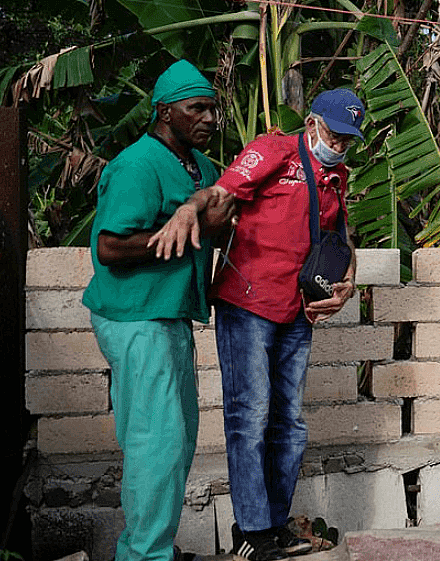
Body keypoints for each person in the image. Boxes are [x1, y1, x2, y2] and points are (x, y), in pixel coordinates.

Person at [149, 88, 363, 560]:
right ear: (311, 123)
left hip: (296, 310)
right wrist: (190, 207)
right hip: (247, 304)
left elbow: (341, 237)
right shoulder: (273, 150)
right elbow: (222, 191)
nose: (340, 145)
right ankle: (251, 532)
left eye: (348, 139)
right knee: (250, 417)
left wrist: (349, 282)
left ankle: (274, 523)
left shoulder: (337, 175)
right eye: (334, 134)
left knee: (290, 424)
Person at [82, 60, 235, 561]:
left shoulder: (201, 167)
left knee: (175, 441)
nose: (210, 117)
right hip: (135, 316)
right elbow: (108, 247)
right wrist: (185, 233)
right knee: (156, 443)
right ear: (164, 111)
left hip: (166, 316)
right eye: (197, 108)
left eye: (213, 108)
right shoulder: (138, 164)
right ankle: (144, 556)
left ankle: (151, 548)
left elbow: (219, 214)